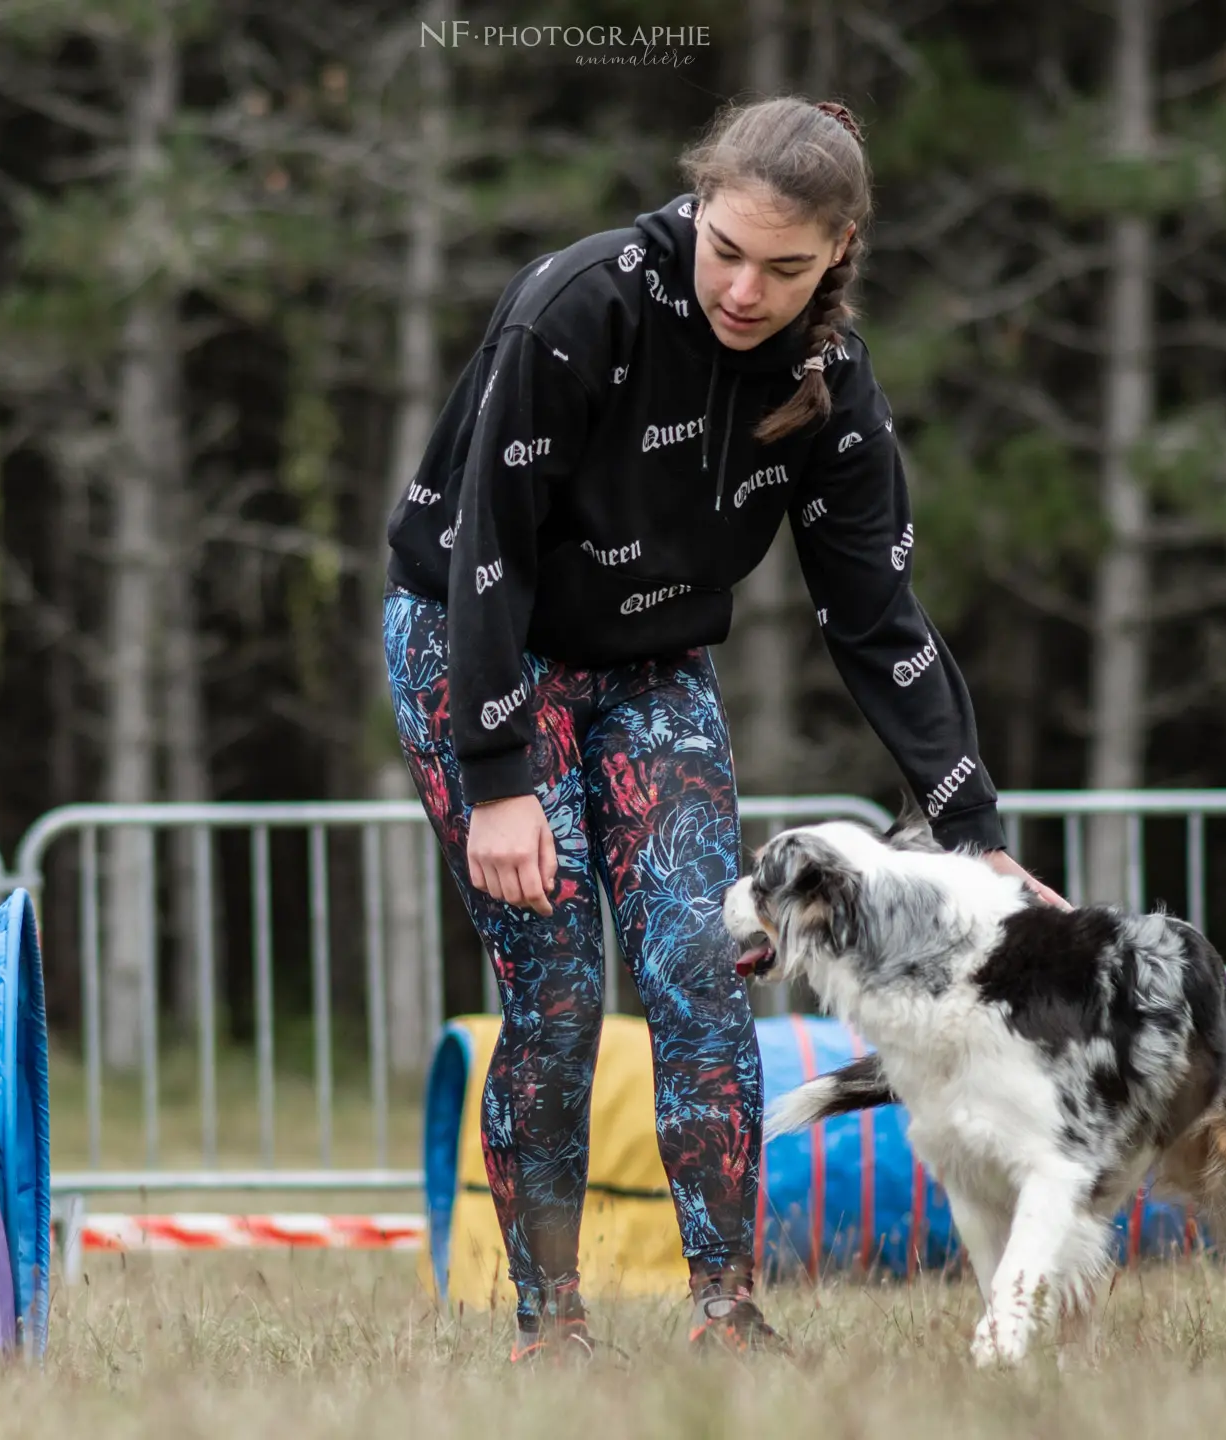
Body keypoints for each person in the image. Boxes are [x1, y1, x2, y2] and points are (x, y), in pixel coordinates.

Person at [381, 95, 1067, 1363]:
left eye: (786, 267)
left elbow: (874, 615)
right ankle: (549, 1325)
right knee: (558, 987)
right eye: (726, 251)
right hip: (481, 641)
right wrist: (497, 776)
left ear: (839, 252)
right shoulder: (575, 309)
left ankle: (725, 1311)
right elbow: (486, 556)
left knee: (701, 963)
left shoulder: (830, 384)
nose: (746, 289)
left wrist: (971, 829)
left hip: (647, 663)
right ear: (697, 208)